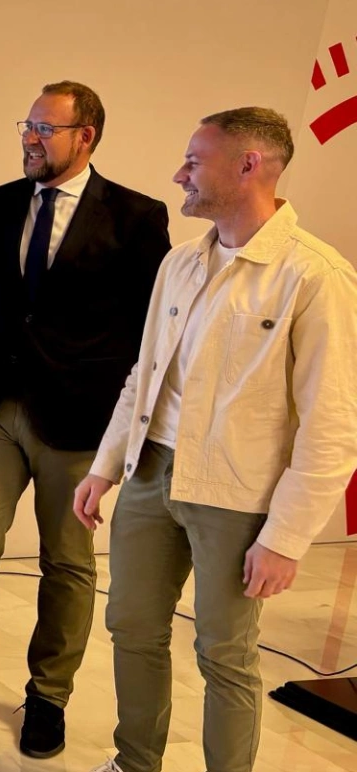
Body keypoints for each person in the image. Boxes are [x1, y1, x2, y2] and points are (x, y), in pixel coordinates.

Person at [74, 108, 357, 772]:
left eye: (194, 162)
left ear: (248, 165)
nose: (180, 174)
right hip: (151, 474)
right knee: (131, 626)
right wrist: (106, 465)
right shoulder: (179, 263)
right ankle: (134, 763)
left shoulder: (314, 275)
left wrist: (286, 538)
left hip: (236, 493)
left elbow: (333, 424)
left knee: (224, 652)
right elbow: (144, 374)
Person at [0, 82, 171, 758]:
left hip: (78, 418)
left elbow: (145, 328)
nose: (30, 137)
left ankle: (48, 698)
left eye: (46, 128)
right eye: (27, 124)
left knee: (67, 563)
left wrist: (96, 397)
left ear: (87, 136)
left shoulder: (137, 217)